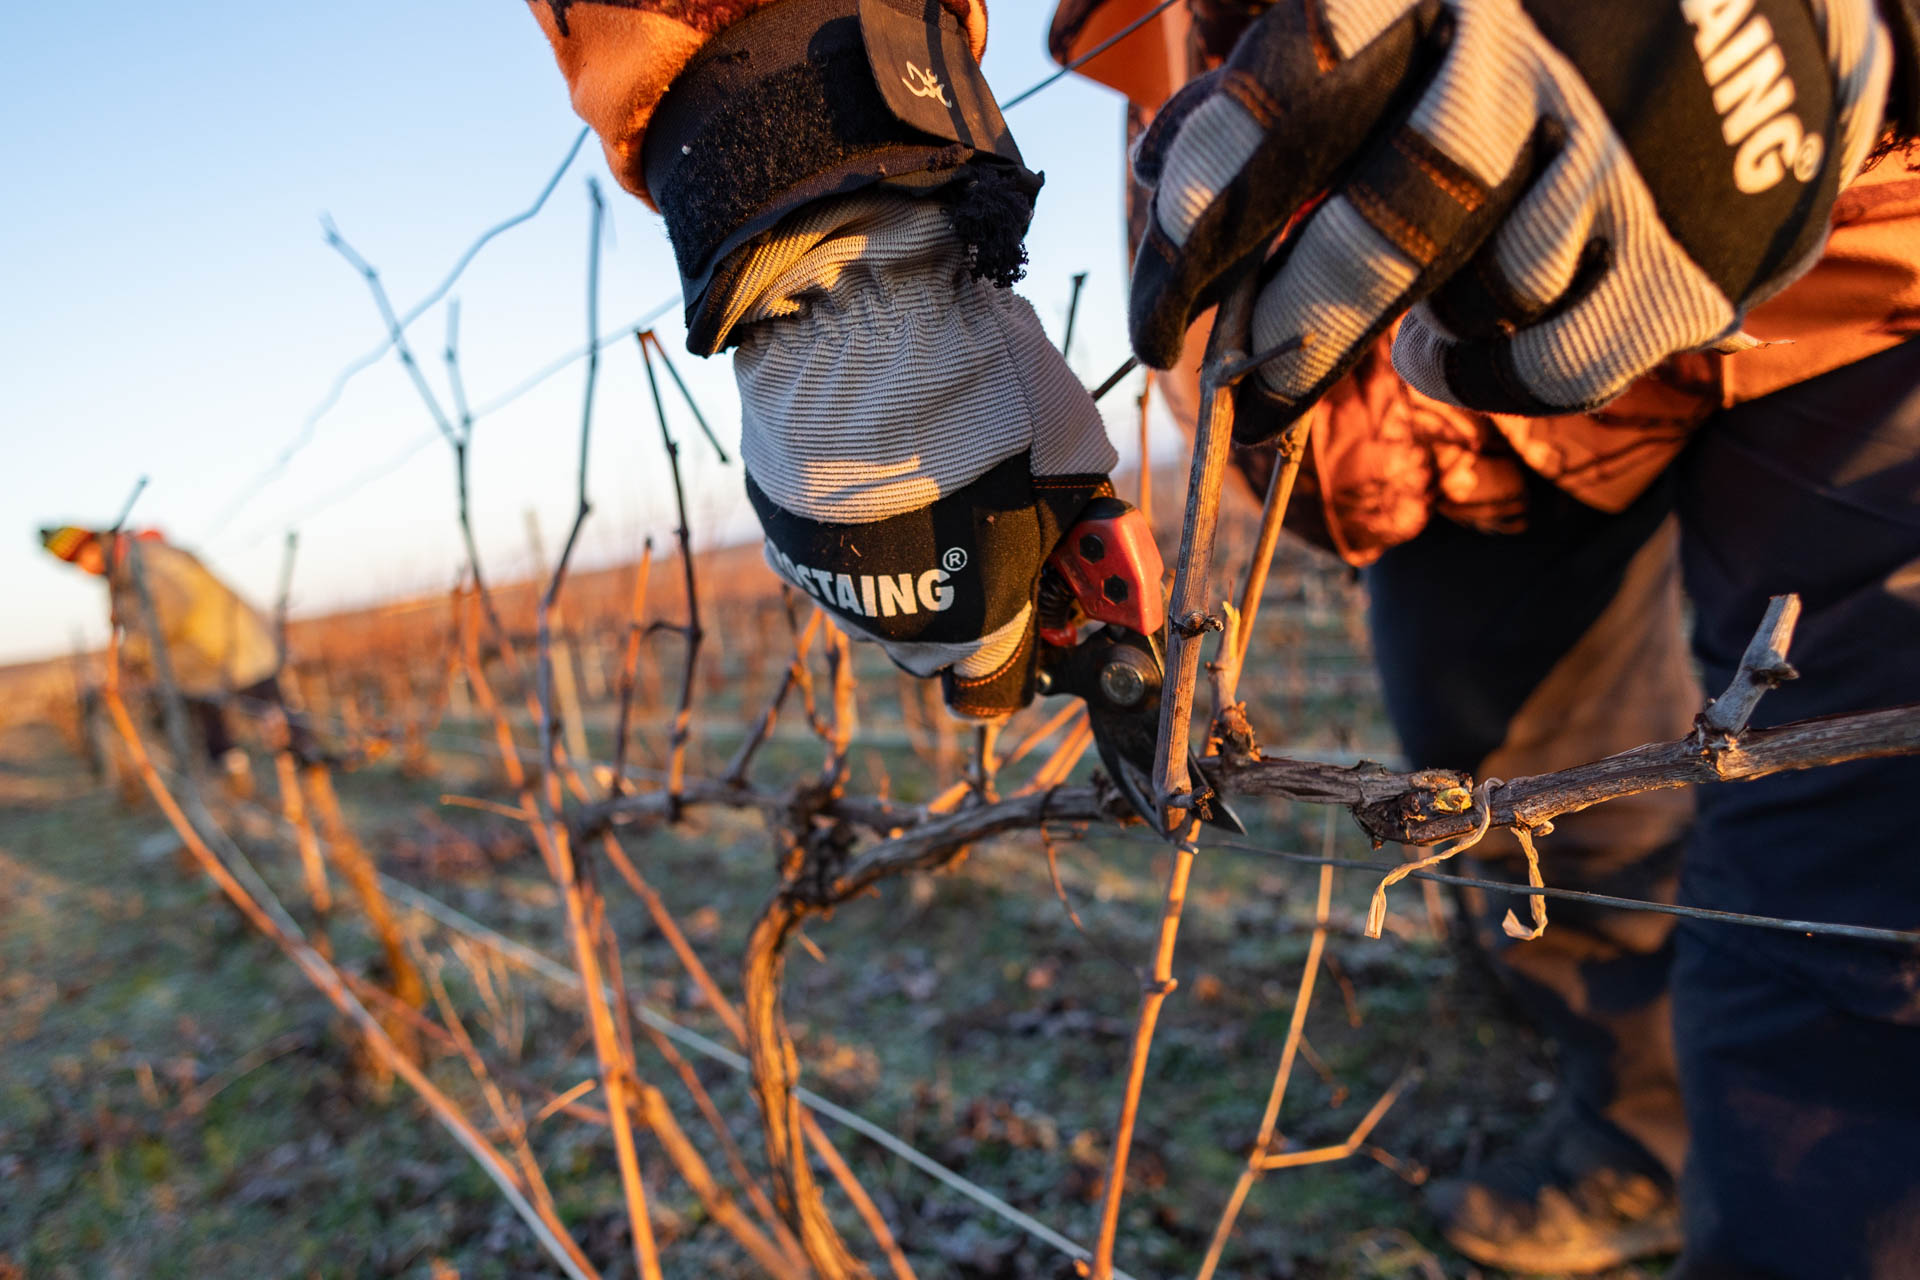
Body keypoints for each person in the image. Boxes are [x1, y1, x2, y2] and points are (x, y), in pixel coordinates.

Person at [525, 1, 1920, 1273]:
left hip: (1870, 250)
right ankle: (1640, 1127)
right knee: (1513, 783)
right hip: (1413, 329)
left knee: (1854, 887)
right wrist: (804, 165)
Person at [39, 525, 319, 778]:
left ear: (95, 544)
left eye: (82, 557)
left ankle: (308, 764)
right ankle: (236, 777)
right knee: (218, 720)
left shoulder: (146, 560)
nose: (84, 568)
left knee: (268, 707)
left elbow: (171, 609)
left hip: (224, 647)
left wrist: (135, 652)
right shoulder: (124, 573)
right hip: (203, 659)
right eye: (74, 563)